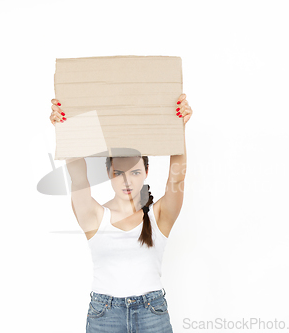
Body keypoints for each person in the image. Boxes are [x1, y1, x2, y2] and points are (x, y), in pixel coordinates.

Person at [49, 94, 193, 333]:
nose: (127, 181)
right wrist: (65, 129)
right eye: (119, 172)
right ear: (108, 172)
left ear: (146, 172)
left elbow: (177, 177)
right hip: (105, 315)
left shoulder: (159, 217)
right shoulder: (95, 216)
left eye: (135, 172)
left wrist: (179, 127)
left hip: (152, 314)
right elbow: (78, 178)